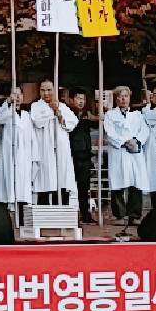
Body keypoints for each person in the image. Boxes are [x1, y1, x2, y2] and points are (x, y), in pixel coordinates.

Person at [103, 85, 150, 226]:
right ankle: (119, 215)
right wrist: (124, 141)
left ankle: (134, 215)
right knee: (118, 183)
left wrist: (135, 141)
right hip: (118, 151)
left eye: (126, 96)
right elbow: (110, 133)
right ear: (116, 99)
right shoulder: (110, 115)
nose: (123, 99)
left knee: (136, 182)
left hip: (134, 152)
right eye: (120, 96)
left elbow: (144, 131)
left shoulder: (137, 115)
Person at [31, 80, 78, 206]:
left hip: (60, 148)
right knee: (45, 181)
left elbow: (72, 122)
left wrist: (58, 113)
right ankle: (43, 210)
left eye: (49, 90)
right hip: (45, 148)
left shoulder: (62, 106)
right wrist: (52, 111)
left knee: (61, 180)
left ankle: (62, 210)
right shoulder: (36, 106)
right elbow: (37, 121)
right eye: (43, 90)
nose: (46, 93)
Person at [0, 88, 34, 213]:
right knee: (9, 179)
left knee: (23, 184)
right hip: (9, 153)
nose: (17, 97)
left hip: (24, 153)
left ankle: (21, 208)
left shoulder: (26, 115)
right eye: (14, 94)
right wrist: (8, 103)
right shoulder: (7, 112)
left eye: (19, 94)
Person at [67, 87, 97, 223]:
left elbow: (97, 123)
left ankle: (85, 214)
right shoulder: (67, 114)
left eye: (83, 99)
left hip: (85, 155)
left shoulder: (87, 115)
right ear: (71, 100)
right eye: (78, 98)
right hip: (71, 154)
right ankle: (66, 214)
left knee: (84, 186)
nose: (81, 102)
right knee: (67, 186)